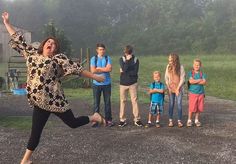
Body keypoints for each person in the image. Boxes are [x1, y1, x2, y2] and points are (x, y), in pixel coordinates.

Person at [2, 12, 106, 164]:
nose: (50, 44)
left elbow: (77, 69)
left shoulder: (58, 59)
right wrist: (6, 23)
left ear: (55, 49)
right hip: (40, 102)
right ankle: (25, 160)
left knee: (73, 123)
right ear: (44, 45)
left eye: (54, 44)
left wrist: (96, 77)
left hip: (56, 100)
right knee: (35, 133)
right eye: (48, 42)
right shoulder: (31, 54)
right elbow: (18, 38)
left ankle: (94, 117)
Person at [118, 45, 143, 127]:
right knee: (122, 101)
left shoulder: (136, 60)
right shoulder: (121, 59)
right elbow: (125, 69)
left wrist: (124, 71)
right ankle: (122, 120)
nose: (127, 54)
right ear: (124, 52)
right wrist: (127, 61)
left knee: (134, 101)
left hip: (133, 83)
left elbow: (134, 72)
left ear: (131, 52)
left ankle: (137, 119)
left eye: (128, 52)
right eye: (126, 52)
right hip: (123, 84)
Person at [90, 43, 114, 127]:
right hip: (96, 84)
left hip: (107, 84)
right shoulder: (93, 58)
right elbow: (93, 71)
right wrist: (104, 69)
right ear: (97, 50)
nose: (102, 51)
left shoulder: (108, 58)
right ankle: (95, 120)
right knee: (96, 103)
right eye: (100, 49)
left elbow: (109, 69)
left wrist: (99, 68)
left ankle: (109, 120)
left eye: (103, 49)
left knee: (107, 102)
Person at [165, 53, 185, 128]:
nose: (169, 61)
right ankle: (170, 120)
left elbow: (182, 79)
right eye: (169, 60)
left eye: (170, 60)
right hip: (171, 88)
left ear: (175, 60)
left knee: (179, 104)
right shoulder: (168, 66)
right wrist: (169, 87)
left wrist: (178, 89)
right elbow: (166, 78)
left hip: (178, 88)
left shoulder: (181, 67)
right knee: (171, 104)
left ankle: (179, 120)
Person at [187, 59, 206, 127]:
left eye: (198, 65)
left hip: (200, 93)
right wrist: (199, 80)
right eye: (195, 65)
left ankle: (196, 120)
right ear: (193, 65)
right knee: (191, 107)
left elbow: (204, 82)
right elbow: (191, 82)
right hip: (192, 93)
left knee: (198, 107)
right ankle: (189, 120)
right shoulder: (191, 73)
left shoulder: (202, 74)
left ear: (200, 66)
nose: (196, 66)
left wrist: (195, 81)